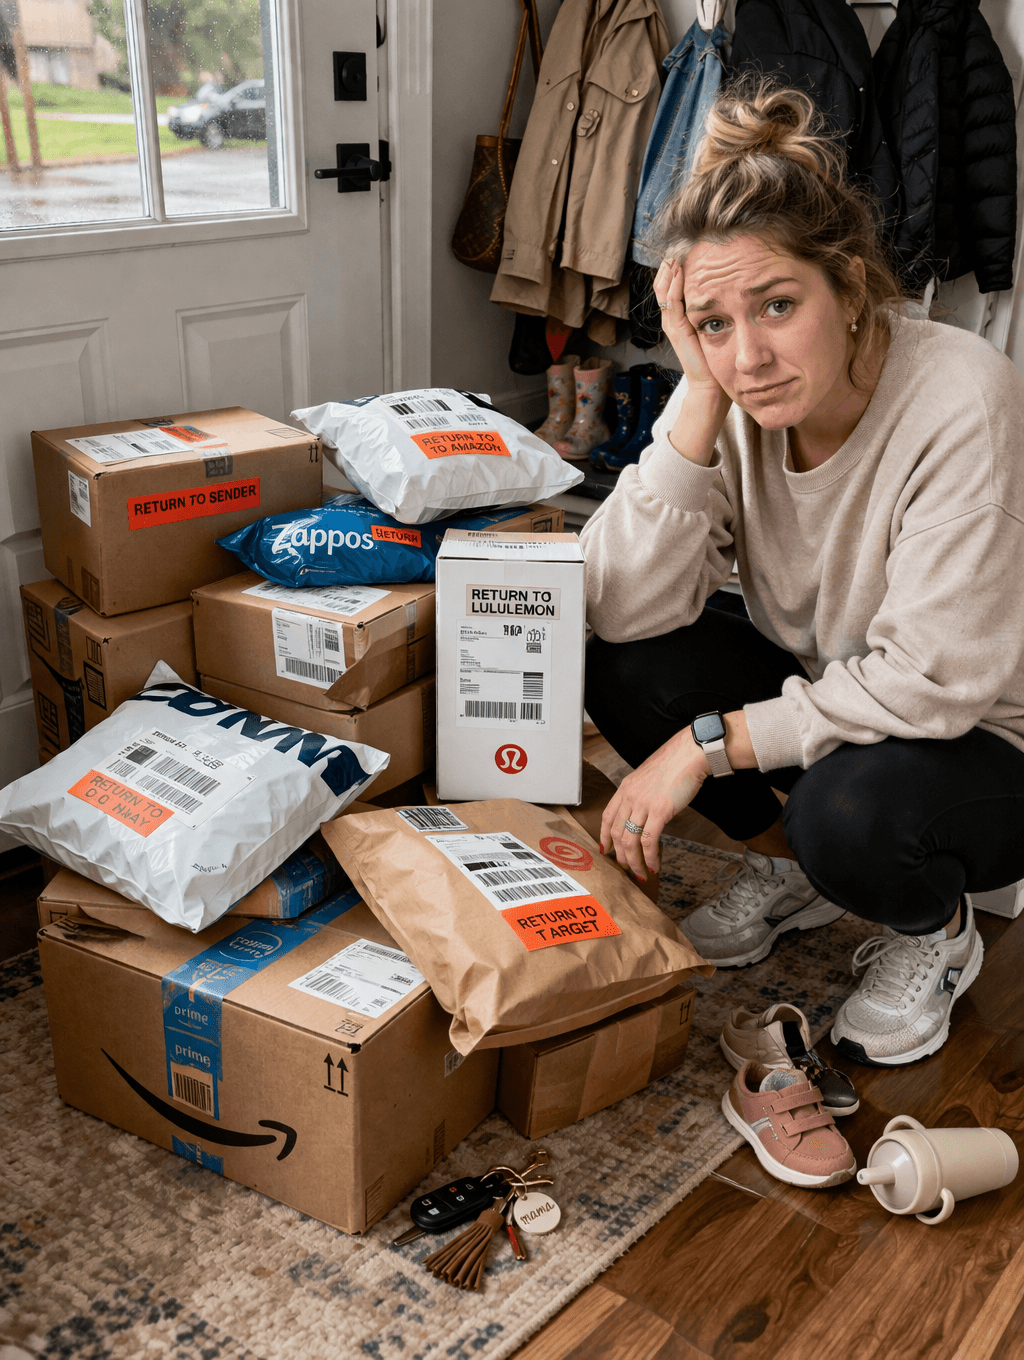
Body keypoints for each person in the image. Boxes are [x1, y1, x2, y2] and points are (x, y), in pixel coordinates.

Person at [581, 79, 1024, 1068]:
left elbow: (929, 681)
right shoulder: (734, 394)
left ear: (850, 286)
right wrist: (696, 400)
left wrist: (704, 746)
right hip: (847, 698)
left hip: (988, 735)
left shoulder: (963, 398)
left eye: (777, 305)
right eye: (714, 323)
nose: (750, 356)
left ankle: (936, 932)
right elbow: (620, 606)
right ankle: (796, 876)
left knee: (849, 814)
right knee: (623, 663)